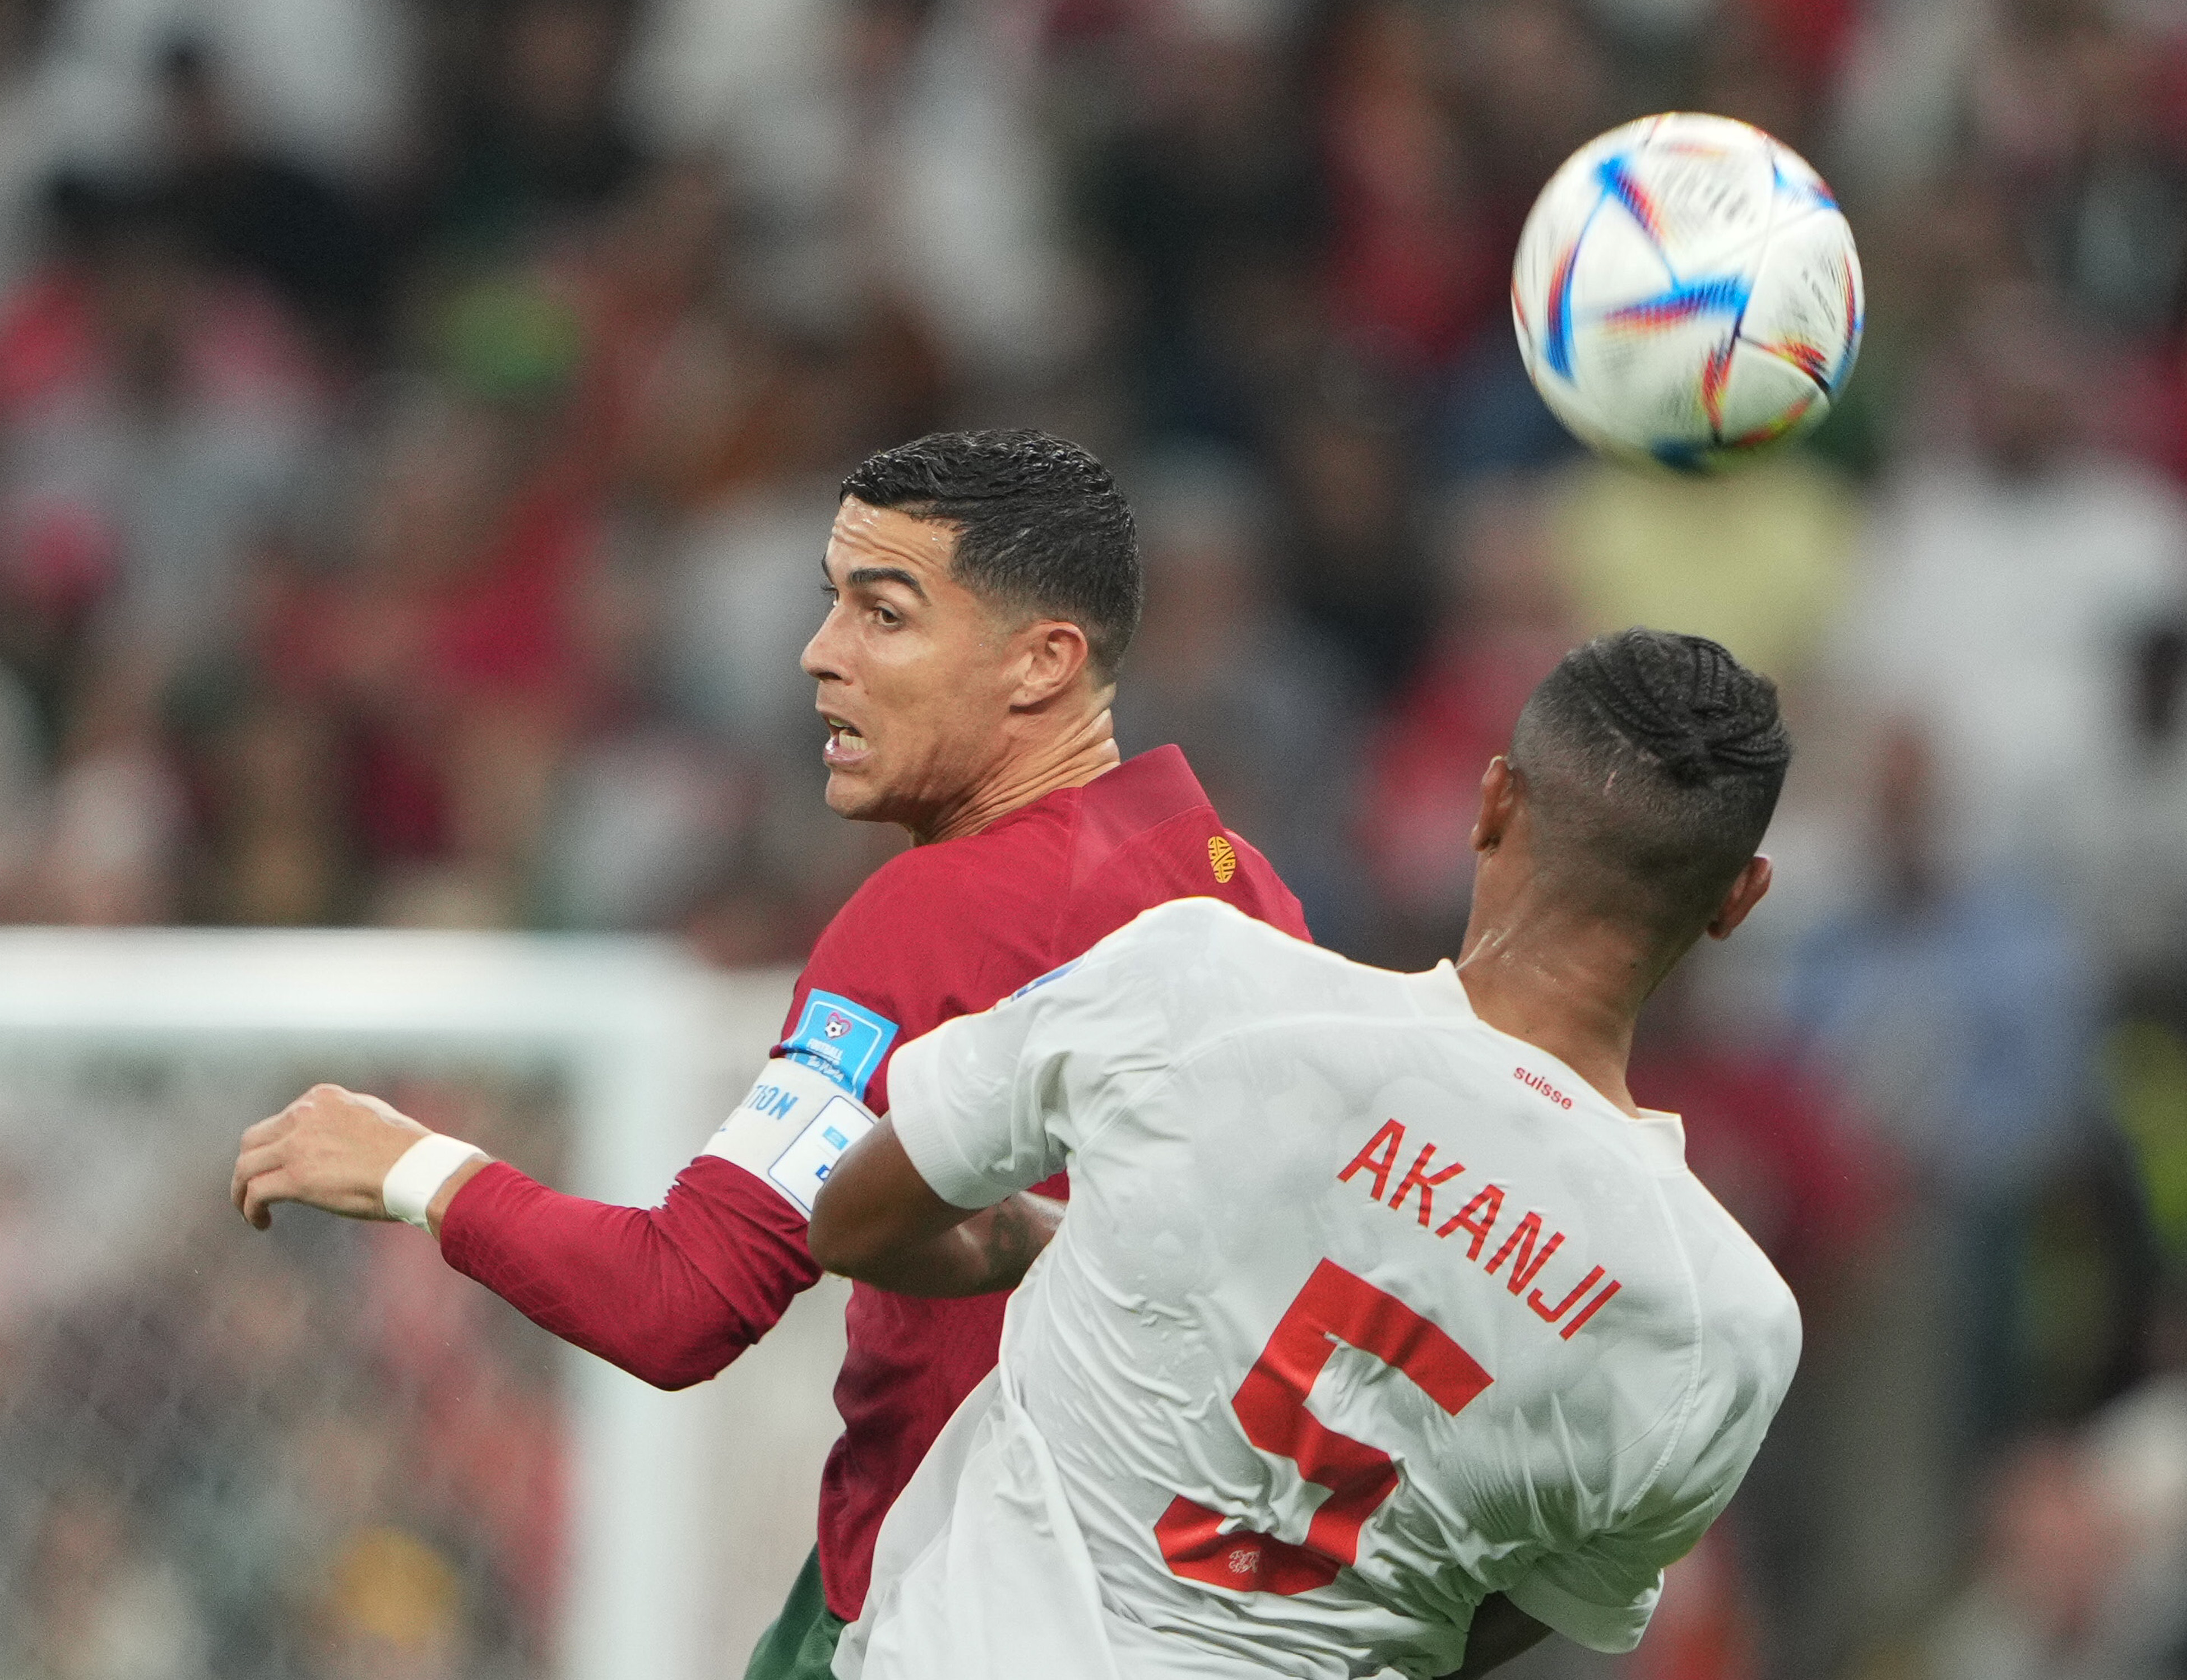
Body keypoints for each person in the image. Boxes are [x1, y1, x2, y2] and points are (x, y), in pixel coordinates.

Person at [226, 429, 1311, 1679]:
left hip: (944, 1613)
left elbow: (676, 1302)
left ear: (1042, 663)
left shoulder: (937, 919)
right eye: (831, 603)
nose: (820, 653)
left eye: (884, 614)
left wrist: (414, 1167)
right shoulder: (1243, 888)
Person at [807, 629, 1803, 1678]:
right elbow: (1521, 1614)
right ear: (1739, 897)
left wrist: (1030, 1238)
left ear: (1495, 802)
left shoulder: (1203, 979)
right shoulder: (1724, 1321)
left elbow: (852, 1219)